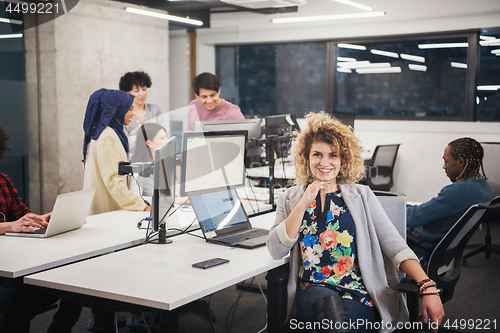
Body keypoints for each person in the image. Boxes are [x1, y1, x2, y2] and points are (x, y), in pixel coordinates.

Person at [267, 111, 444, 333]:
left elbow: (395, 245)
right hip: (313, 289)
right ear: (306, 157)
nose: (325, 162)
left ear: (343, 161)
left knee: (335, 325)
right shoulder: (290, 198)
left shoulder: (362, 195)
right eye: (317, 155)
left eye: (333, 155)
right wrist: (304, 202)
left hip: (358, 294)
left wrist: (427, 286)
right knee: (329, 315)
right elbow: (275, 249)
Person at [0, 125, 82, 333]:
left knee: (76, 279)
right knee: (14, 300)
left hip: (14, 260)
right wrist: (11, 225)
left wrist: (36, 219)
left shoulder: (3, 181)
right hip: (5, 271)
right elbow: (13, 223)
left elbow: (21, 214)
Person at [406, 137, 492, 260]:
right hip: (443, 252)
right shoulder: (483, 186)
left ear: (460, 162)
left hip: (420, 247)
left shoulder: (459, 191)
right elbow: (425, 211)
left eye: (446, 161)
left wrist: (388, 207)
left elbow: (413, 218)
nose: (444, 166)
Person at [83, 89, 150, 215]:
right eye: (129, 109)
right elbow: (113, 180)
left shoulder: (103, 133)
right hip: (107, 214)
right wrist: (141, 206)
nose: (133, 114)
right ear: (116, 110)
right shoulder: (107, 136)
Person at [130, 123, 169, 196]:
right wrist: (173, 200)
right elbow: (136, 200)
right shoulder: (138, 168)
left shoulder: (161, 163)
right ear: (149, 143)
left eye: (166, 137)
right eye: (162, 138)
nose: (167, 140)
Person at [119, 71, 163, 136]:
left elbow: (165, 134)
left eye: (144, 89)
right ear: (126, 93)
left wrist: (135, 137)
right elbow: (125, 140)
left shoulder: (155, 110)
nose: (142, 94)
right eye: (136, 91)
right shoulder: (123, 114)